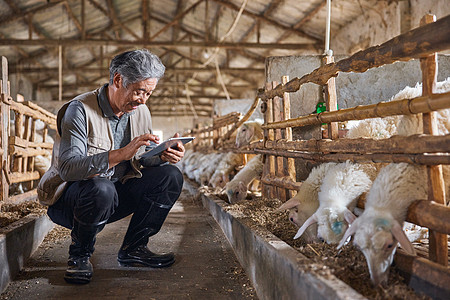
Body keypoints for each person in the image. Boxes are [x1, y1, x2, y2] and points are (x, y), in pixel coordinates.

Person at [38, 49, 185, 284]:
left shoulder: (141, 111)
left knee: (170, 176)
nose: (143, 99)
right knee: (101, 187)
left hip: (113, 196)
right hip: (73, 200)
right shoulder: (79, 110)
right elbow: (68, 169)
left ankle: (134, 250)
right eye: (139, 91)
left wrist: (162, 155)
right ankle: (79, 256)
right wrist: (120, 154)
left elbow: (139, 160)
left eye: (149, 93)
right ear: (118, 80)